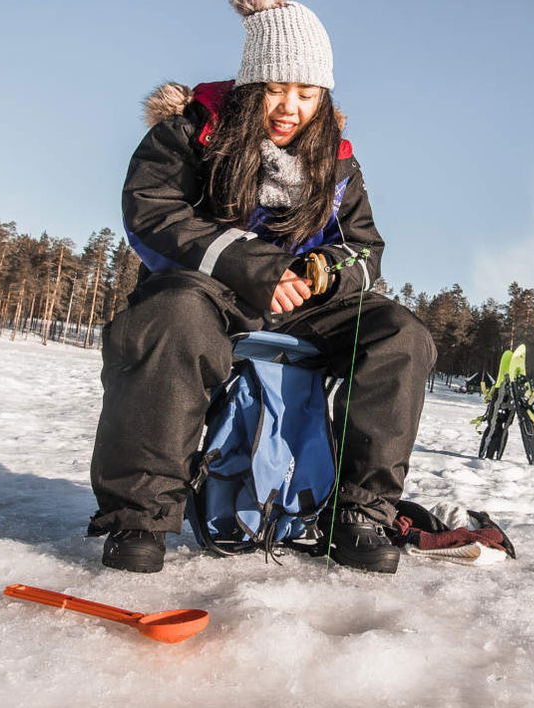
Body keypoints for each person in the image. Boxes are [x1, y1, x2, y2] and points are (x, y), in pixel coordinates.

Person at [87, 0, 436, 575]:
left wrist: (322, 272)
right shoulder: (190, 135)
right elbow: (153, 214)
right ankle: (139, 519)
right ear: (252, 84)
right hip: (206, 291)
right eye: (277, 88)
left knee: (399, 335)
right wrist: (253, 267)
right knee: (172, 318)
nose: (291, 107)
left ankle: (360, 514)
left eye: (308, 92)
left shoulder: (338, 163)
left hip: (302, 303)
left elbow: (367, 250)